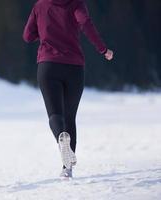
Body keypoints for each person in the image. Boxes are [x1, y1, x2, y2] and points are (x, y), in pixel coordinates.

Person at [23, 0, 113, 179]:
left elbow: (27, 36)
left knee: (55, 115)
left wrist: (43, 32)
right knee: (70, 117)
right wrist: (103, 49)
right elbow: (85, 23)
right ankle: (67, 169)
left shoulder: (40, 5)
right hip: (74, 67)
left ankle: (60, 137)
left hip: (48, 65)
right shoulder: (76, 3)